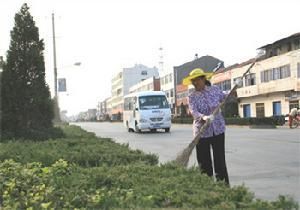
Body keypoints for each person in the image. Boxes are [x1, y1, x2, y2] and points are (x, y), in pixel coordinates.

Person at [182, 68, 229, 185]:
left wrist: (233, 91)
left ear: (203, 79)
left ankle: (223, 187)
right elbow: (194, 112)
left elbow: (224, 97)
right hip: (202, 133)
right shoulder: (192, 97)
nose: (195, 83)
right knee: (204, 163)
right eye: (193, 81)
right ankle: (207, 188)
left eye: (197, 80)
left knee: (220, 161)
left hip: (218, 130)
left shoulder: (215, 90)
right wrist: (203, 117)